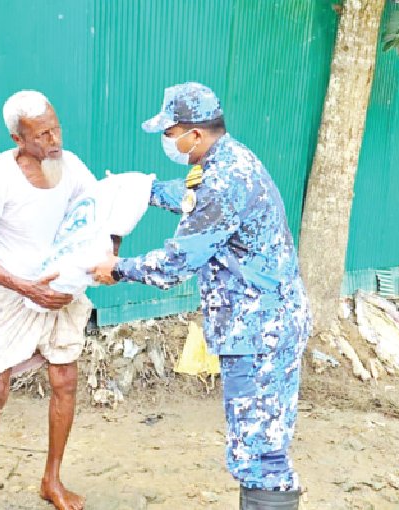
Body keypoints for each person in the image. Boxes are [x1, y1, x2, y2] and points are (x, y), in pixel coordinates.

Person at [90, 82, 311, 510]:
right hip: (267, 321)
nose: (167, 141)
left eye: (169, 132)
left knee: (259, 453)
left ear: (194, 132)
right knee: (264, 442)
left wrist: (117, 268)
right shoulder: (225, 160)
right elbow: (193, 196)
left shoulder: (225, 178)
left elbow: (176, 263)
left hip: (259, 330)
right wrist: (146, 189)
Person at [0, 90, 94, 510]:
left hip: (59, 288)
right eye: (42, 135)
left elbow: (99, 210)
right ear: (18, 137)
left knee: (65, 382)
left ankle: (51, 480)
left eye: (56, 129)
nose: (54, 140)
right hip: (11, 289)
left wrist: (95, 256)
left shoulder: (70, 166)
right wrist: (22, 285)